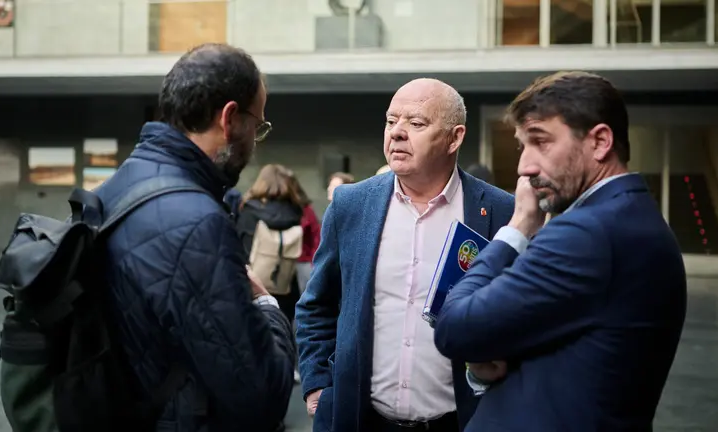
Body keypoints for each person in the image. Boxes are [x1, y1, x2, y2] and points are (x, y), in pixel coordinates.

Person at [433, 71, 687, 432]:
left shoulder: (587, 232)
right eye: (523, 146)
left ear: (600, 142)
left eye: (541, 141)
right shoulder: (629, 219)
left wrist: (518, 227)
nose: (525, 167)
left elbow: (455, 328)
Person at [95, 43, 296, 432]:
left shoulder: (118, 187)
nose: (254, 141)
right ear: (229, 119)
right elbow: (262, 396)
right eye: (257, 126)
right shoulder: (198, 223)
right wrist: (267, 306)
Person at [296, 78, 515, 432]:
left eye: (416, 123)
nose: (397, 132)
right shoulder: (351, 205)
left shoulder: (499, 211)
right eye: (390, 121)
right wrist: (318, 383)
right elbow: (317, 305)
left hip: (461, 420)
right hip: (363, 420)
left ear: (454, 138)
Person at [237, 163, 304, 324]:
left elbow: (240, 246)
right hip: (285, 285)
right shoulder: (295, 212)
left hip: (253, 286)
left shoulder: (250, 210)